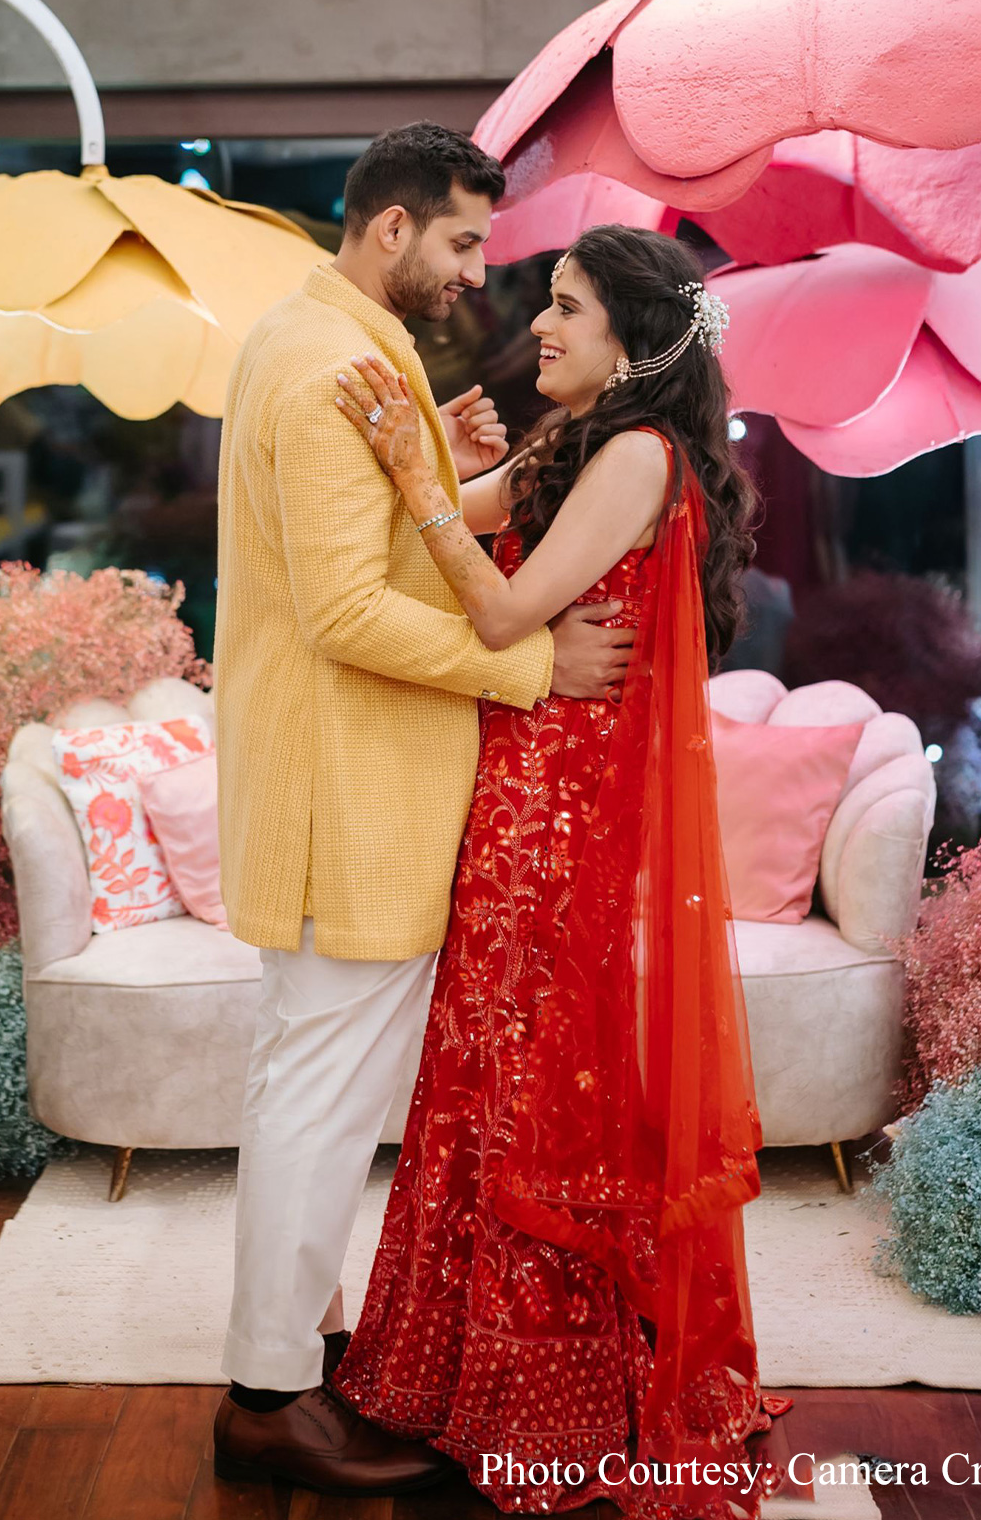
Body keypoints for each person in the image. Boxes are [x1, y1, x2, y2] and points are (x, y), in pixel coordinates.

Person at [330, 224, 789, 1517]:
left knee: (537, 1083)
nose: (538, 323)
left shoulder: (638, 457)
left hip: (564, 827)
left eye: (568, 307)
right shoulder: (579, 441)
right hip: (515, 806)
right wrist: (439, 458)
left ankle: (559, 1395)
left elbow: (495, 611)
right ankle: (462, 1369)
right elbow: (455, 517)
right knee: (485, 1070)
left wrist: (417, 474)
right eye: (546, 301)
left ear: (634, 344)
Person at [212, 125, 636, 1493]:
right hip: (348, 792)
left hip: (342, 783)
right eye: (461, 241)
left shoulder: (332, 340)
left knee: (307, 1083)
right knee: (320, 1099)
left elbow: (363, 546)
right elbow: (343, 611)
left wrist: (446, 478)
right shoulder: (329, 363)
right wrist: (532, 664)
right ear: (391, 226)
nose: (475, 273)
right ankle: (269, 1397)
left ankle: (292, 1346)